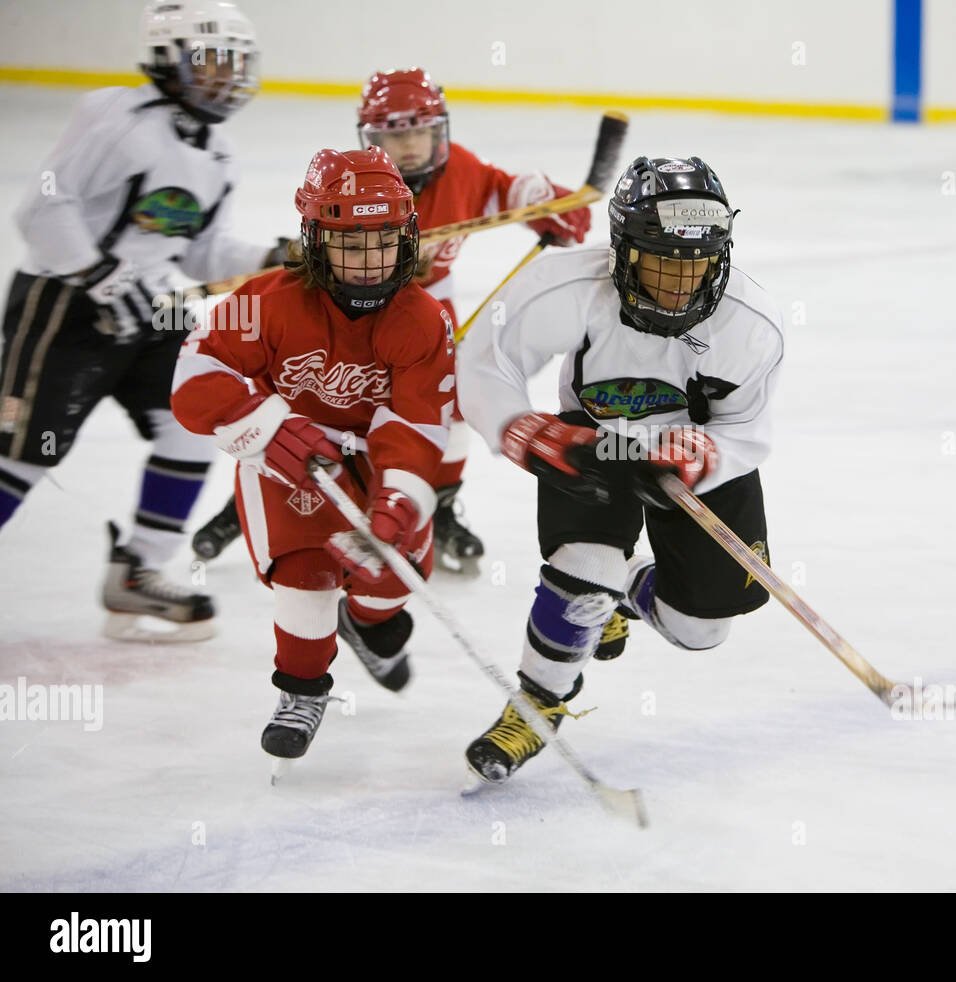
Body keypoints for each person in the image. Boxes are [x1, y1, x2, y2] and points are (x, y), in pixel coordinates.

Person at [454, 156, 783, 785]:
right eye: (663, 259)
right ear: (622, 248)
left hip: (698, 454)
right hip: (594, 440)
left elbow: (747, 430)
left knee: (700, 630)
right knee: (584, 568)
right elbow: (483, 360)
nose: (682, 281)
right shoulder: (567, 286)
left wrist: (703, 457)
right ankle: (540, 702)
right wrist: (523, 431)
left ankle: (628, 588)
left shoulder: (753, 322)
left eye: (698, 260)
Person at [191, 67, 592, 575]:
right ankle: (254, 498)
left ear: (439, 130)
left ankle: (438, 507)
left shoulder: (462, 170)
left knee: (449, 405)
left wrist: (548, 201)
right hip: (342, 311)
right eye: (391, 135)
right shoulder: (360, 181)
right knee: (311, 404)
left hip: (422, 314)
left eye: (418, 131)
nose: (407, 146)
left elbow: (508, 190)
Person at [0, 0, 287, 642]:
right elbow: (42, 211)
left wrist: (276, 256)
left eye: (236, 63)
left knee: (194, 419)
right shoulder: (116, 116)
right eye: (211, 61)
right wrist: (100, 275)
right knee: (22, 453)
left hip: (154, 308)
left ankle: (139, 571)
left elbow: (200, 254)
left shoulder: (217, 153)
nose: (227, 76)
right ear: (167, 60)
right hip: (64, 305)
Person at [171, 147, 457, 756]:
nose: (368, 261)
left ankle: (368, 620)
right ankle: (302, 689)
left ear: (406, 238)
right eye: (348, 244)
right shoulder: (266, 300)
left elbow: (417, 421)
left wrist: (399, 498)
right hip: (283, 463)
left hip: (377, 461)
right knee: (305, 578)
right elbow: (195, 374)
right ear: (314, 239)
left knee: (390, 577)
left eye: (382, 241)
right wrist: (269, 427)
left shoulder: (424, 318)